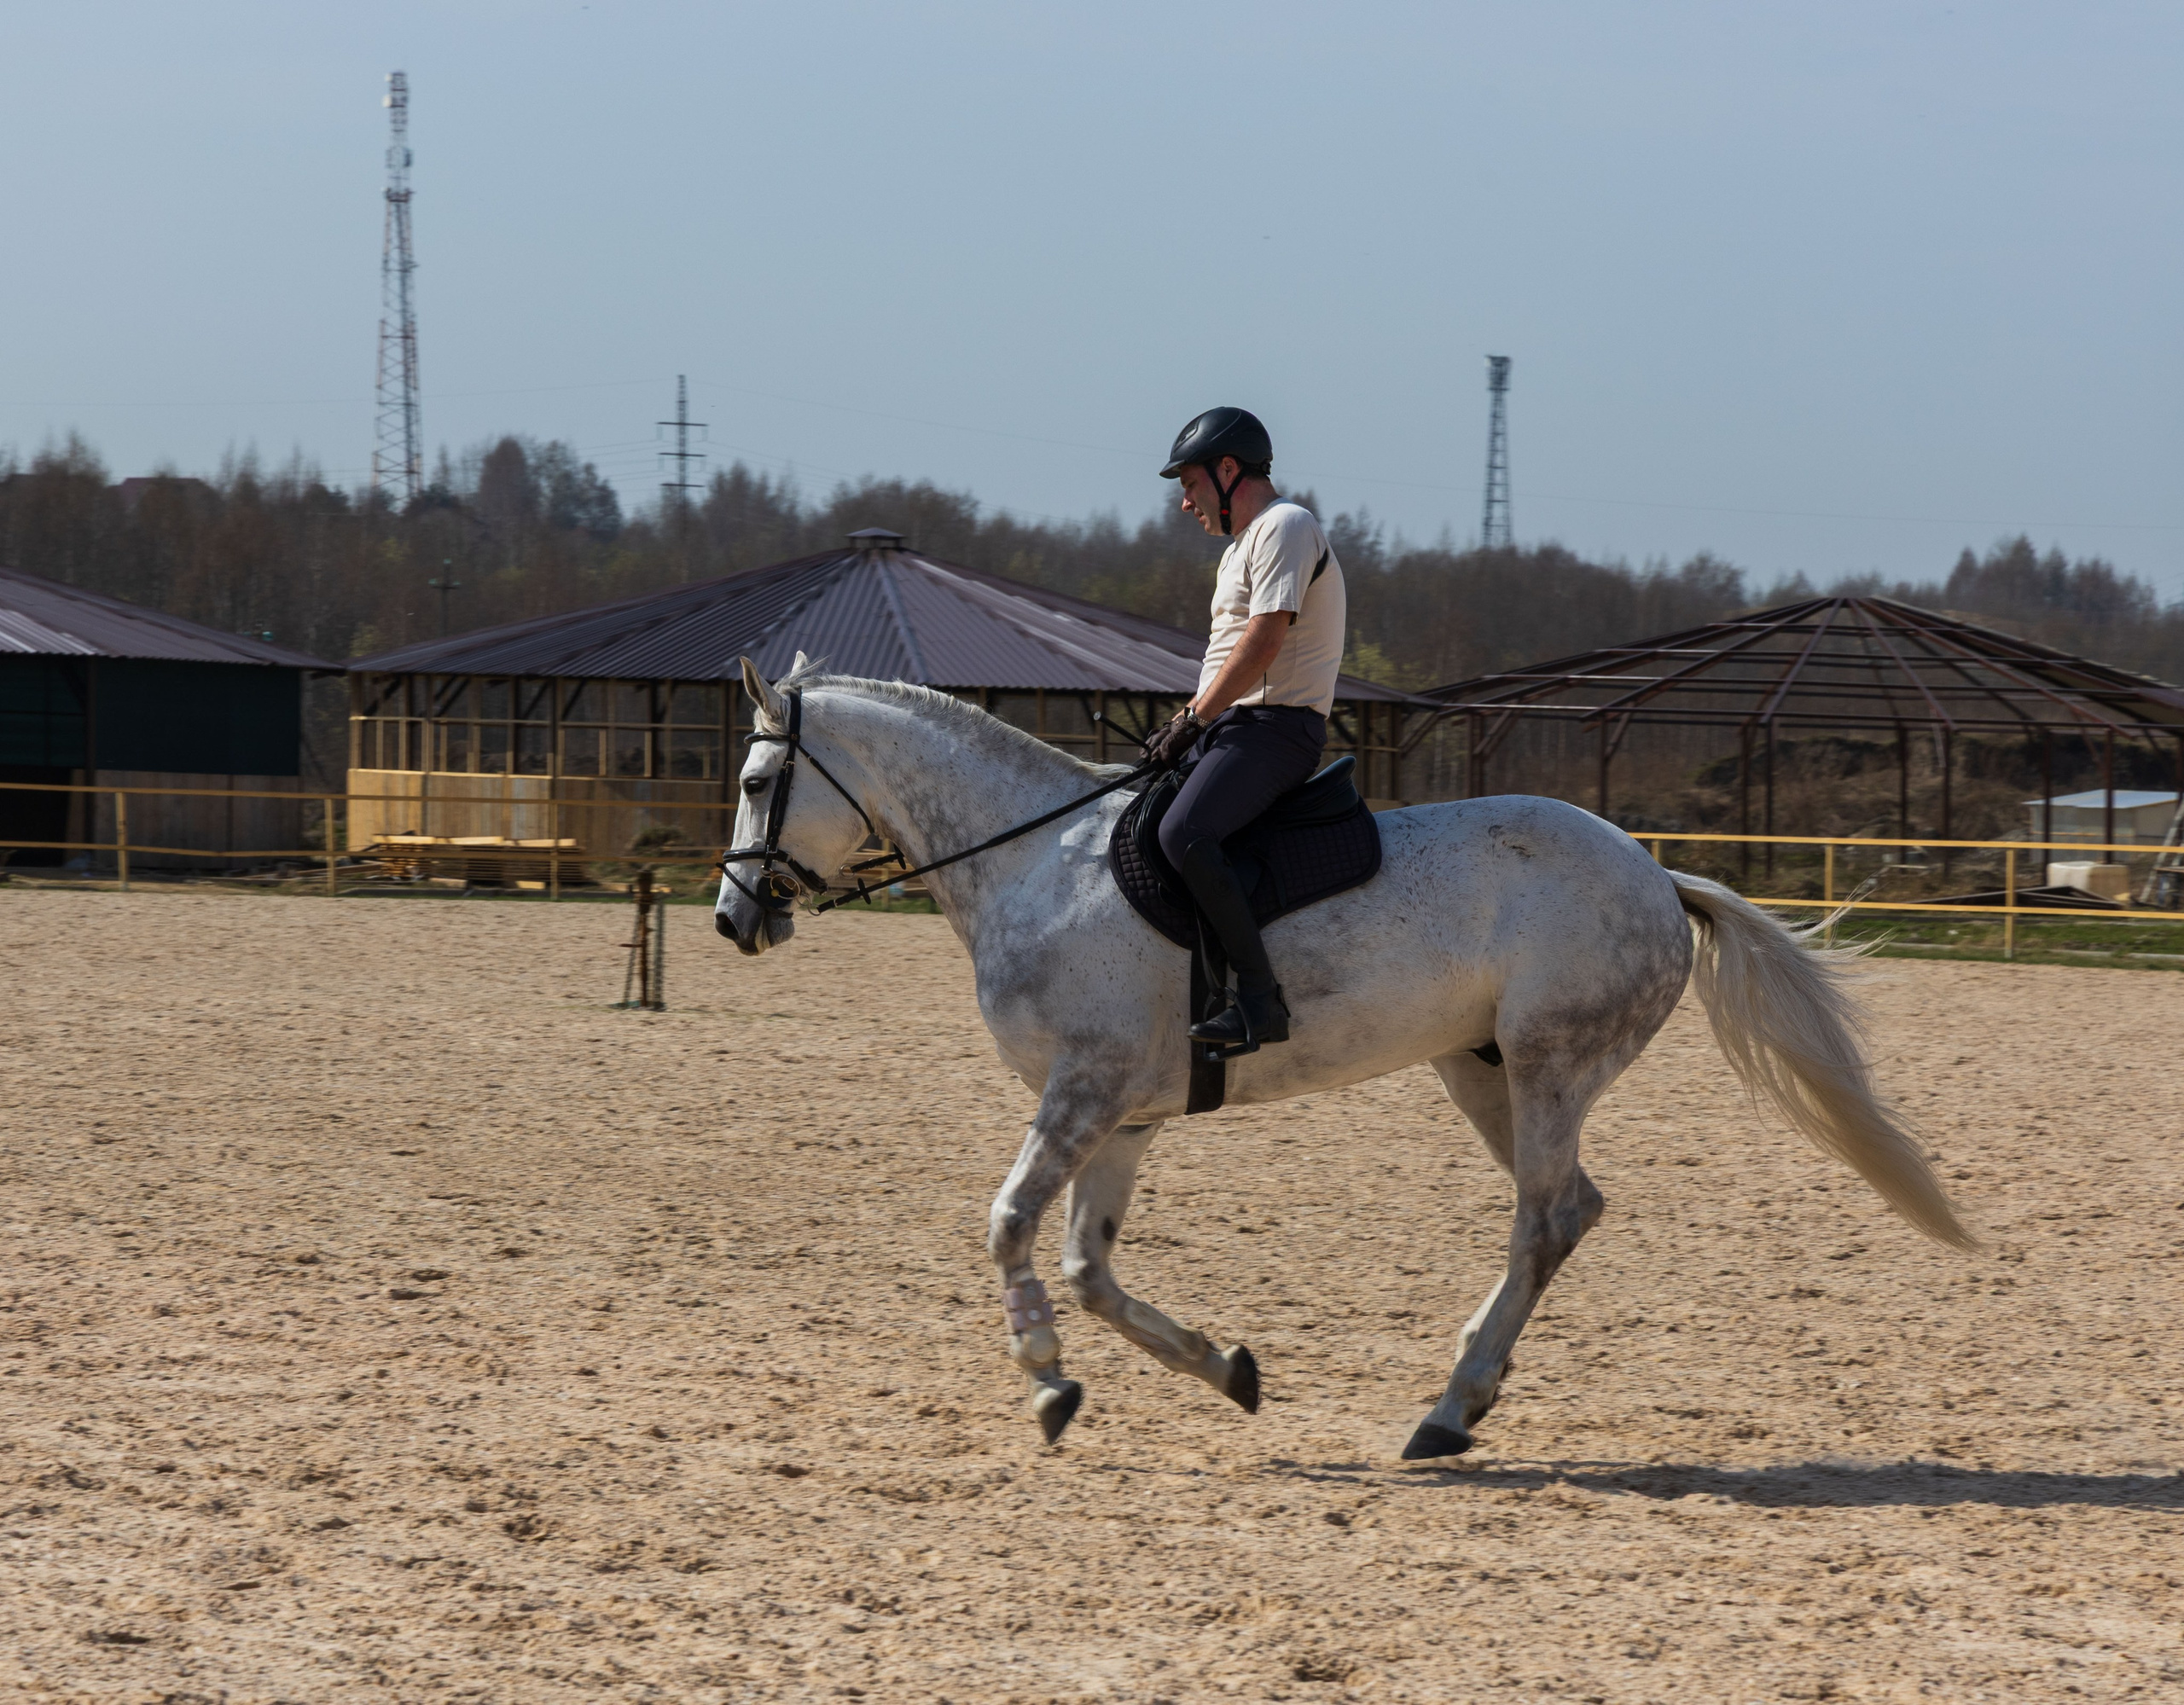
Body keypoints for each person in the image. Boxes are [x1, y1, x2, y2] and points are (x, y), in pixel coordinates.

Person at [1143, 406, 1346, 1050]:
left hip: (1273, 729)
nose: (1185, 503)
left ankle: (1258, 1001)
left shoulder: (1286, 525)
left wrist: (1192, 718)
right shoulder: (1243, 546)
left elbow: (1262, 642)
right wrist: (1190, 724)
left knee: (1185, 830)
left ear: (1229, 470)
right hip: (1231, 728)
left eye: (1191, 484)